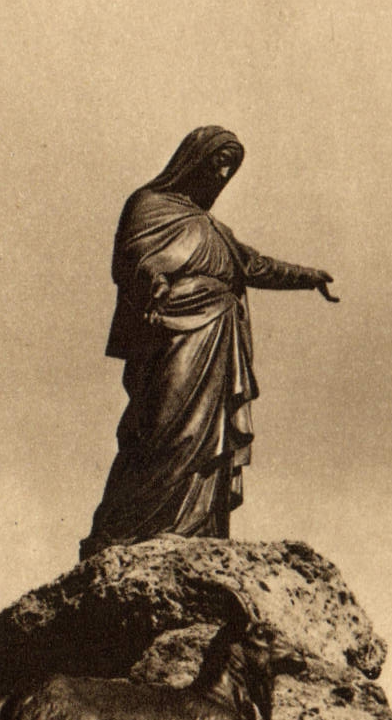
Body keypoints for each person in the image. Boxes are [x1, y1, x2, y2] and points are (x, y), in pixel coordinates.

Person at [80, 126, 337, 560]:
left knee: (209, 442)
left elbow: (256, 266)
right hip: (175, 332)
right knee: (166, 430)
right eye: (217, 163)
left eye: (229, 168)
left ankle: (196, 530)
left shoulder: (216, 230)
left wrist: (308, 277)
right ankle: (125, 533)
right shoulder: (149, 205)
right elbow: (132, 257)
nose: (221, 175)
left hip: (219, 339)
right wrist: (153, 281)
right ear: (192, 161)